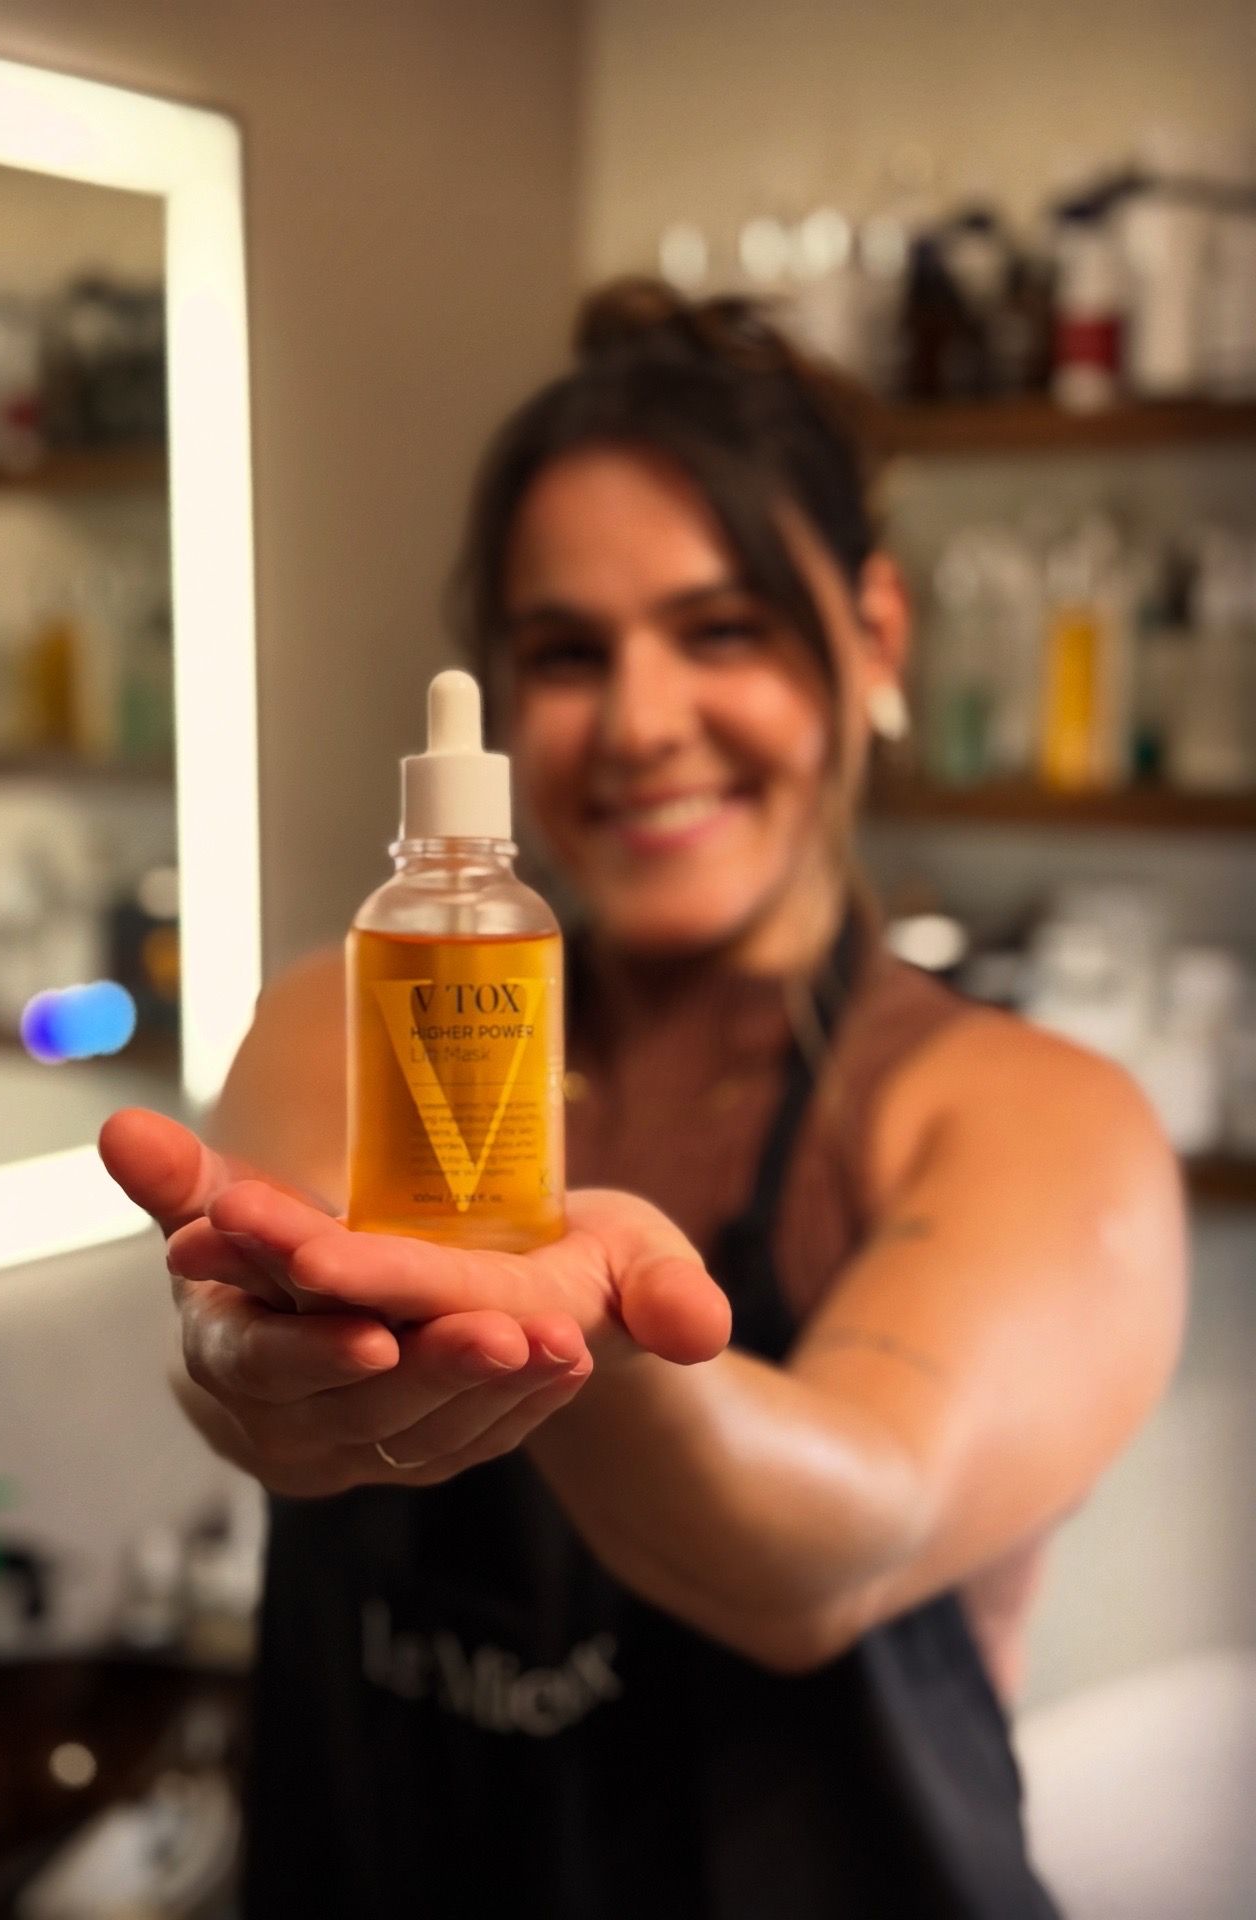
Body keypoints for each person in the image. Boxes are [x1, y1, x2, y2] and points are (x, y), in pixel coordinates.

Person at [100, 281, 1187, 1919]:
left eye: (724, 629)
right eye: (565, 652)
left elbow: (832, 1553)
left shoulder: (1029, 1118)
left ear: (874, 639)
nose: (642, 722)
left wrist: (587, 1339)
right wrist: (249, 1365)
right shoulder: (365, 1012)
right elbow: (250, 1369)